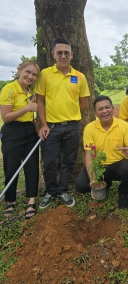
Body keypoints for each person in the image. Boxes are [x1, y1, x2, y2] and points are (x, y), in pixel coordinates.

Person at [34, 37, 90, 209]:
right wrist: (43, 125)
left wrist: (70, 114)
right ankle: (50, 191)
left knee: (69, 161)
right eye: (60, 53)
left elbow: (84, 103)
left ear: (72, 54)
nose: (63, 56)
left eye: (67, 52)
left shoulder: (79, 77)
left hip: (72, 127)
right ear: (53, 54)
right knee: (49, 161)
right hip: (50, 127)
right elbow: (40, 101)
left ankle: (62, 190)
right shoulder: (45, 74)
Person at [75, 95, 128, 209]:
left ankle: (123, 193)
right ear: (95, 113)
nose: (104, 111)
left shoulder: (124, 126)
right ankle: (106, 183)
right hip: (99, 166)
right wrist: (93, 180)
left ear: (113, 109)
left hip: (118, 165)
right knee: (81, 185)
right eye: (100, 109)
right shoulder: (89, 128)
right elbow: (89, 155)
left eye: (107, 107)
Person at [0, 60, 40, 219]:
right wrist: (27, 108)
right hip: (12, 131)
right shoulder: (9, 89)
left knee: (31, 166)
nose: (30, 76)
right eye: (28, 72)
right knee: (11, 166)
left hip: (29, 132)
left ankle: (31, 200)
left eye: (34, 74)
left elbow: (31, 116)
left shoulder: (30, 93)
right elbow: (5, 117)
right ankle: (10, 201)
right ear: (20, 70)